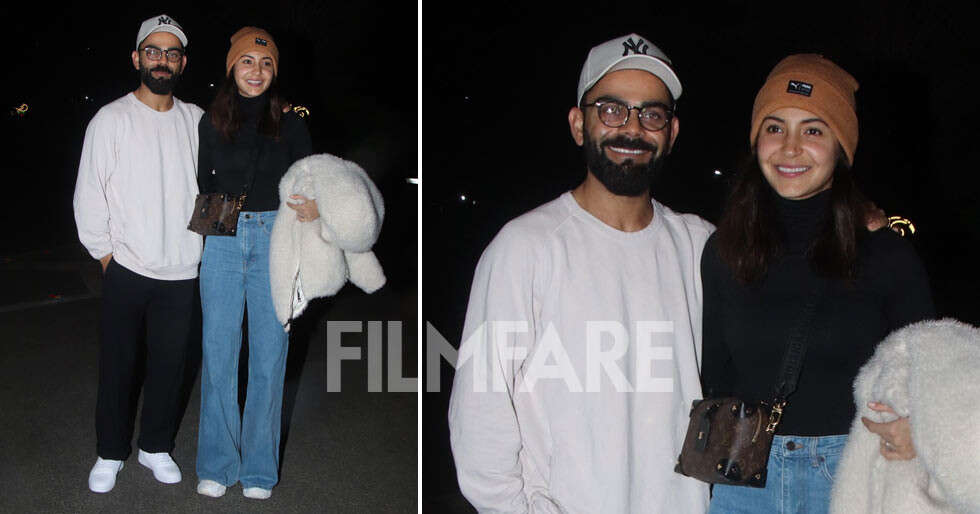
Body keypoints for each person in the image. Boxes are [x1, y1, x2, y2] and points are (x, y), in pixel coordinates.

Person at [449, 34, 714, 513]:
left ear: (671, 133)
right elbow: (479, 411)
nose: (631, 129)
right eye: (611, 109)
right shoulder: (525, 248)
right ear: (578, 123)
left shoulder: (700, 247)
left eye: (651, 114)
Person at [699, 54, 935, 513]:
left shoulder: (884, 254)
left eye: (813, 130)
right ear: (756, 141)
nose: (790, 148)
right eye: (774, 127)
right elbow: (716, 376)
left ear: (840, 147)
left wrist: (921, 429)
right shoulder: (723, 251)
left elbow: (935, 367)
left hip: (849, 475)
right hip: (745, 480)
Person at [74, 14, 203, 493]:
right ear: (137, 58)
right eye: (153, 50)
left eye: (172, 53)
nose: (162, 60)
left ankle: (155, 446)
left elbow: (212, 188)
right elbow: (90, 193)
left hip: (183, 270)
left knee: (171, 366)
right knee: (119, 367)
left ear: (182, 62)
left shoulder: (197, 121)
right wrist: (105, 255)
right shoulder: (111, 118)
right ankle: (110, 452)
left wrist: (204, 246)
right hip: (127, 266)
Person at [194, 26, 313, 500]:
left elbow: (311, 180)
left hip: (275, 238)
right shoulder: (210, 121)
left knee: (268, 356)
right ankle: (218, 465)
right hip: (222, 238)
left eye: (265, 64)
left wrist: (314, 209)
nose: (256, 71)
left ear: (274, 72)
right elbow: (203, 179)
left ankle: (259, 470)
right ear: (232, 68)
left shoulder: (292, 123)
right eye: (247, 62)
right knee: (218, 355)